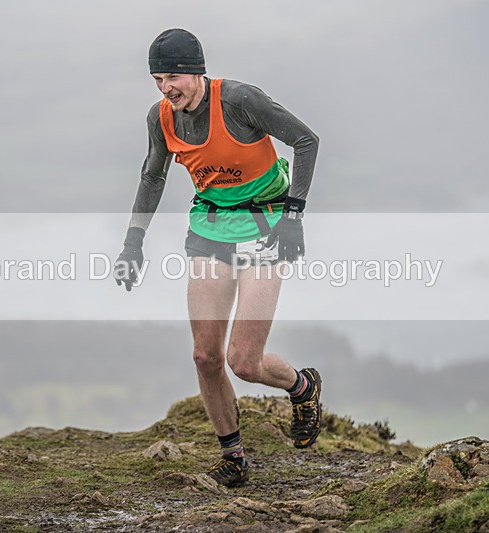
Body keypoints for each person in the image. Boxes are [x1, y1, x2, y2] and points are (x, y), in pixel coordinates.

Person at [113, 28, 321, 488]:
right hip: (209, 230)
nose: (166, 88)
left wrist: (294, 215)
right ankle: (234, 457)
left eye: (173, 77)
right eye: (156, 80)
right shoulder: (162, 118)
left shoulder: (241, 101)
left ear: (196, 73)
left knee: (244, 363)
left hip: (265, 229)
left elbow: (306, 141)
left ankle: (303, 387)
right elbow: (153, 177)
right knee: (205, 356)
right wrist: (133, 242)